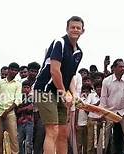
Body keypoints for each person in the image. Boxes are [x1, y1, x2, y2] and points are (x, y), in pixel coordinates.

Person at [33, 16, 84, 154]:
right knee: (52, 129)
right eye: (72, 27)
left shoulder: (79, 52)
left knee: (63, 132)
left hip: (60, 92)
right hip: (45, 90)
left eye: (78, 28)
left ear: (82, 31)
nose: (75, 29)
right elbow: (54, 70)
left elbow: (71, 76)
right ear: (67, 29)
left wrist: (74, 95)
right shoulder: (60, 42)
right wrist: (63, 93)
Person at [98, 58, 124, 154]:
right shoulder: (106, 81)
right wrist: (103, 114)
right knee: (103, 136)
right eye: (120, 67)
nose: (123, 68)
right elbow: (103, 98)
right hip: (110, 112)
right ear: (114, 68)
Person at [0, 62, 22, 154]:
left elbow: (17, 100)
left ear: (17, 72)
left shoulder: (18, 84)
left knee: (13, 138)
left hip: (10, 113)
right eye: (12, 69)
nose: (14, 72)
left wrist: (7, 111)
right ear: (8, 70)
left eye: (16, 70)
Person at [16, 80, 34, 154]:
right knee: (19, 142)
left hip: (29, 122)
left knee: (28, 143)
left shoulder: (32, 97)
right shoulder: (19, 98)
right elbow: (16, 110)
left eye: (28, 87)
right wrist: (25, 108)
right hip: (20, 122)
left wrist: (22, 109)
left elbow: (31, 107)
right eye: (24, 87)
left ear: (30, 89)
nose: (26, 89)